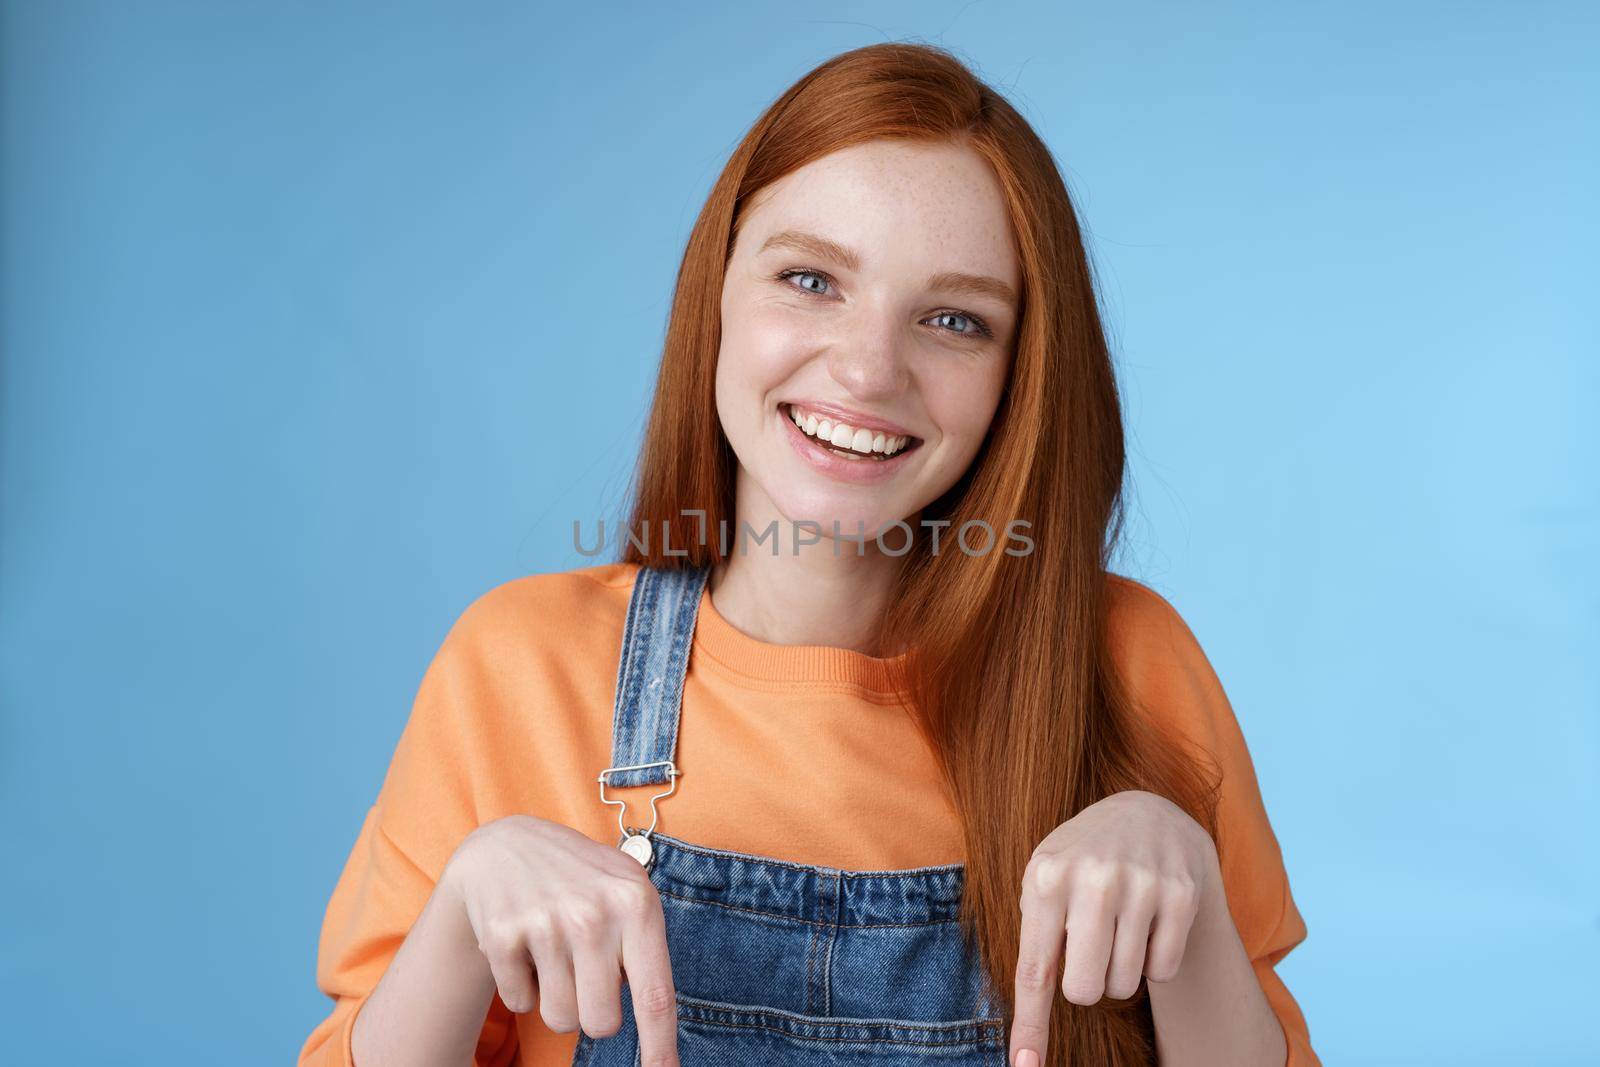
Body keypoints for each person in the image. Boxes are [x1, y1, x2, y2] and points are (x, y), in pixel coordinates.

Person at [298, 41, 1318, 1067]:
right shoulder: (516, 667)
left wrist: (1185, 896)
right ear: (718, 294)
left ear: (1022, 373)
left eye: (955, 319)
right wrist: (463, 910)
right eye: (811, 279)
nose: (870, 369)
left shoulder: (1127, 665)